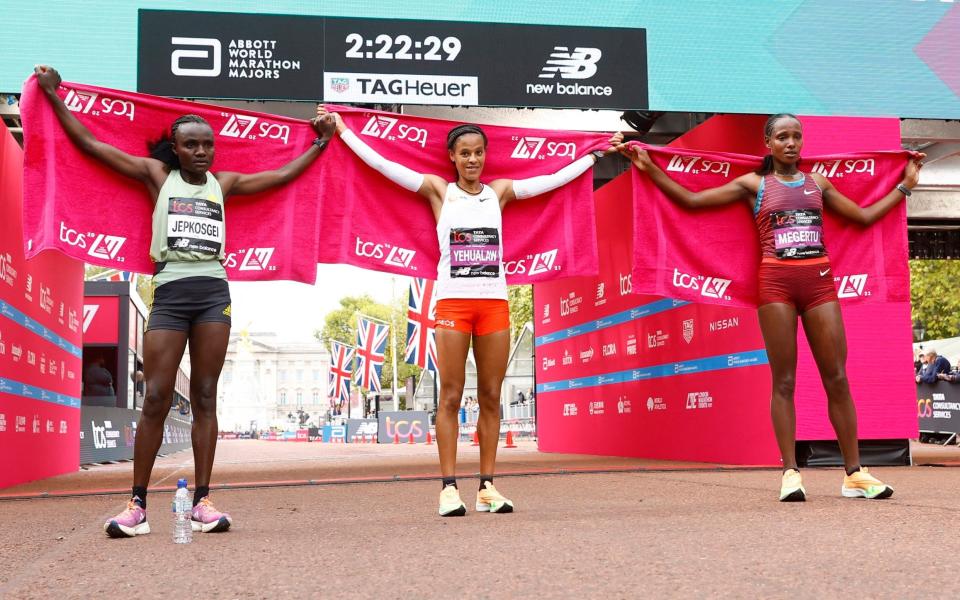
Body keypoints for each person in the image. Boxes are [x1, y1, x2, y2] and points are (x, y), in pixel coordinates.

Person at [35, 65, 336, 537]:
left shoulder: (226, 183)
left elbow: (280, 177)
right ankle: (136, 506)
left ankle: (202, 502)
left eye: (207, 145)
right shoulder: (157, 175)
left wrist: (320, 143)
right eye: (191, 144)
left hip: (214, 291)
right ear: (175, 149)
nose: (200, 152)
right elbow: (93, 146)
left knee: (207, 395)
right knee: (155, 396)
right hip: (171, 291)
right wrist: (54, 97)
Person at [321, 106, 617, 516]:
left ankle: (488, 488)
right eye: (464, 153)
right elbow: (383, 165)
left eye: (479, 152)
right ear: (452, 157)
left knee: (492, 397)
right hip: (453, 305)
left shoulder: (501, 192)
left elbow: (551, 181)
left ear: (485, 155)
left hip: (494, 303)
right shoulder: (438, 191)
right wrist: (342, 131)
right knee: (450, 395)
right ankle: (447, 489)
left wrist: (594, 156)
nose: (473, 159)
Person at [620, 113, 923, 502]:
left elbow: (862, 218)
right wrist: (648, 169)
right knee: (784, 381)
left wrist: (905, 187)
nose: (791, 143)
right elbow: (691, 201)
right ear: (769, 143)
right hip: (776, 284)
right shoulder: (754, 184)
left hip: (819, 284)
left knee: (837, 378)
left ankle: (855, 473)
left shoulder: (819, 183)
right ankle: (790, 473)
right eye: (783, 137)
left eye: (797, 136)